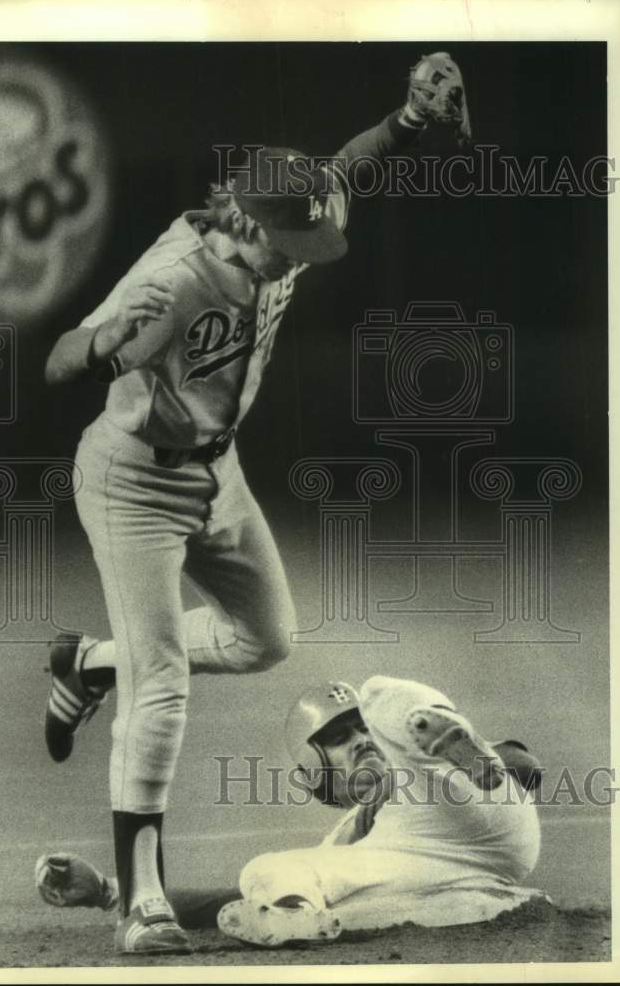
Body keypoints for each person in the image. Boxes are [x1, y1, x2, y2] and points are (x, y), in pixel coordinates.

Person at [42, 53, 471, 955]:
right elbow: (59, 358)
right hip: (133, 482)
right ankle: (140, 905)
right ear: (251, 221)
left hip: (217, 474)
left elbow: (346, 169)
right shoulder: (172, 280)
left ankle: (89, 664)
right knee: (161, 688)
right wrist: (98, 343)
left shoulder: (282, 223)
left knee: (265, 639)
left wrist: (407, 119)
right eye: (296, 239)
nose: (305, 254)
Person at [36, 675, 544, 948]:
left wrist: (484, 762)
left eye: (362, 730)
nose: (361, 741)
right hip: (430, 871)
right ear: (315, 768)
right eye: (340, 738)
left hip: (475, 821)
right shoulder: (346, 833)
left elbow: (524, 767)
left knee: (378, 692)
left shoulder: (417, 771)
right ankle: (293, 917)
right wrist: (108, 892)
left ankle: (431, 724)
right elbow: (225, 900)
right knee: (267, 870)